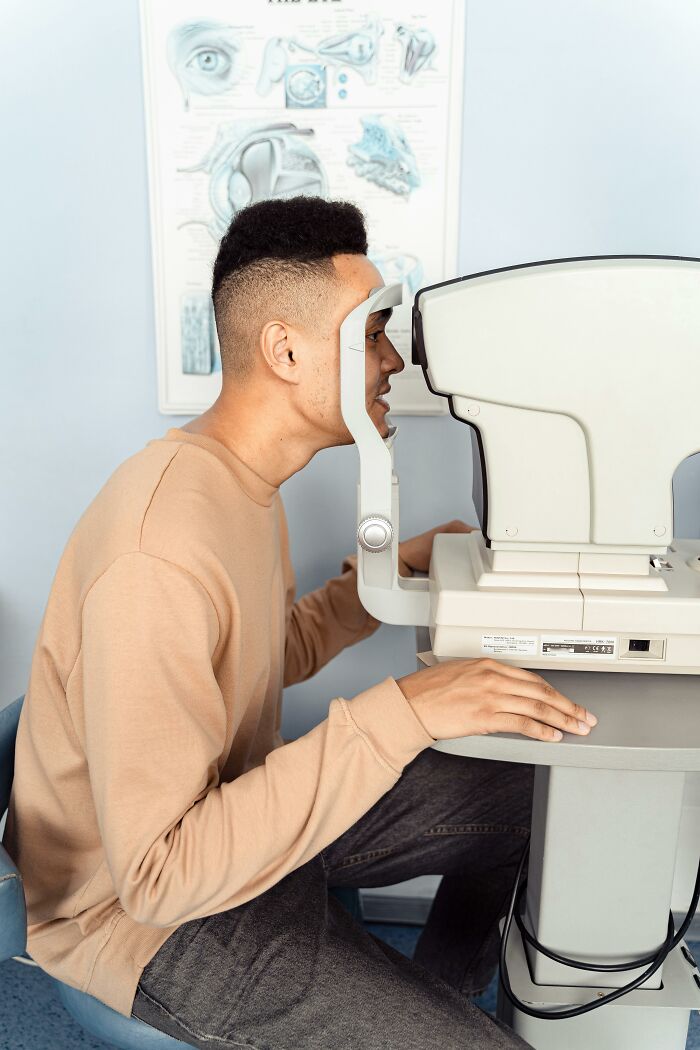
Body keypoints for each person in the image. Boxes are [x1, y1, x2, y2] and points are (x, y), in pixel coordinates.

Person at [6, 196, 596, 1050]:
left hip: (231, 821)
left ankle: (429, 998)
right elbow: (159, 878)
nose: (392, 361)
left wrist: (384, 579)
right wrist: (409, 711)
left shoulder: (237, 485)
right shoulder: (159, 553)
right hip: (148, 922)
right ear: (285, 350)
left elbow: (264, 651)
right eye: (374, 334)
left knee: (545, 786)